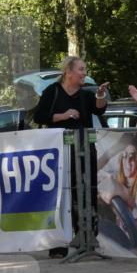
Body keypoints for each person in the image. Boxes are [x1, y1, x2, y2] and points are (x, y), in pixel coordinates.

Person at [33, 55, 109, 257]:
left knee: (87, 191)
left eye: (85, 69)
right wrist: (64, 115)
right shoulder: (52, 91)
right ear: (68, 72)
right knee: (62, 194)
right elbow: (39, 116)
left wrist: (100, 95)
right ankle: (58, 244)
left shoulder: (85, 94)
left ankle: (88, 238)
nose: (84, 73)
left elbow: (99, 109)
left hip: (85, 149)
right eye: (81, 69)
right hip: (59, 151)